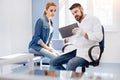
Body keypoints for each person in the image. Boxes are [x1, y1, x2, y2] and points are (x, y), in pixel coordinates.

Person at [50, 3, 103, 71]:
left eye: (76, 12)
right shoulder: (77, 24)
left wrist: (85, 34)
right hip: (77, 51)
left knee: (71, 64)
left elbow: (99, 37)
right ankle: (66, 76)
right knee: (53, 62)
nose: (75, 15)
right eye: (73, 14)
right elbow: (77, 39)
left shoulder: (94, 19)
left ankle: (68, 77)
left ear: (81, 9)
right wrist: (69, 39)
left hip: (88, 52)